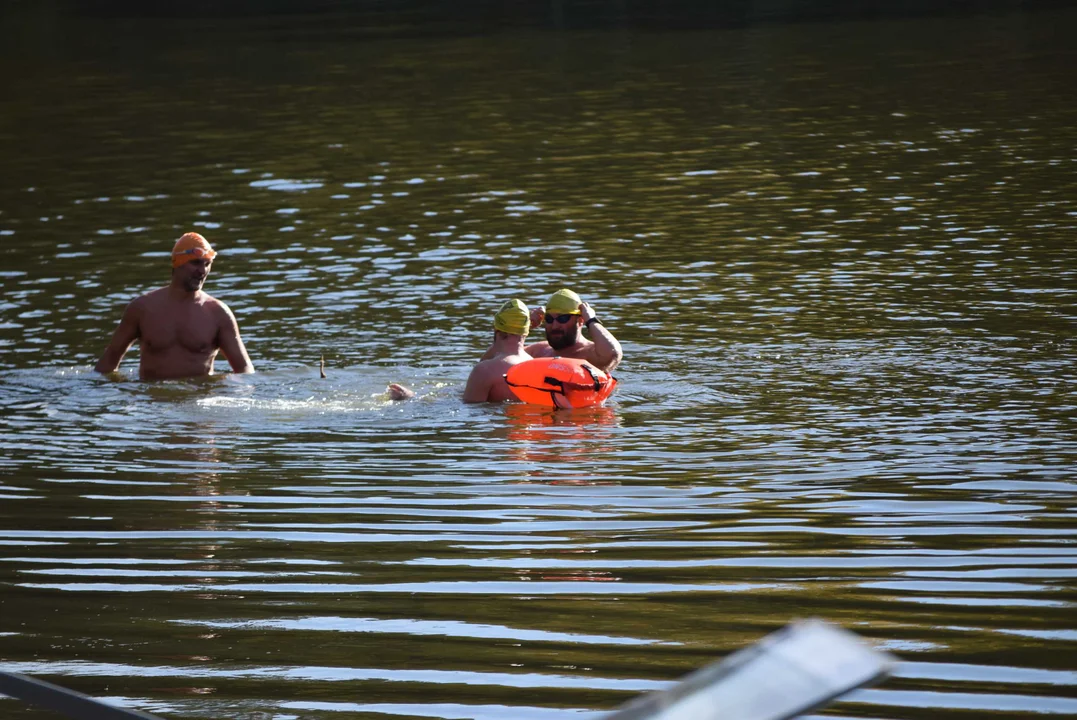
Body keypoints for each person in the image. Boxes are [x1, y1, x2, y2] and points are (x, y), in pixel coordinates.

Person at [95, 232, 255, 381]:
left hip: (199, 401)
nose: (203, 271)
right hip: (152, 403)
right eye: (196, 263)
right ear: (177, 263)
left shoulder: (218, 314)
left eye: (207, 264)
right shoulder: (142, 308)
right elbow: (108, 362)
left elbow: (244, 369)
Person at [389, 299, 532, 403]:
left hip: (498, 437)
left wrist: (410, 398)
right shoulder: (533, 363)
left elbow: (467, 407)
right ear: (526, 331)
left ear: (496, 328)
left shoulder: (485, 370)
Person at [520, 288, 623, 373]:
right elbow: (506, 355)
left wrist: (591, 320)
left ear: (580, 320)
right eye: (549, 319)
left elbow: (613, 353)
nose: (555, 326)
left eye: (563, 318)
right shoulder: (539, 351)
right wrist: (524, 326)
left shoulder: (591, 353)